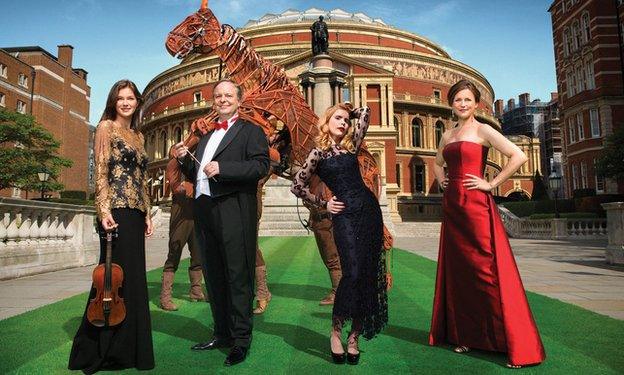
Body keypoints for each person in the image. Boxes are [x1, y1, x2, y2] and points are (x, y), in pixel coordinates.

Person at [428, 79, 546, 368]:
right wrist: (443, 181)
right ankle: (466, 336)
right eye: (458, 100)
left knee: (486, 270)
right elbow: (436, 163)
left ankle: (512, 344)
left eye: (468, 99)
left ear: (477, 104)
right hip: (454, 208)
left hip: (477, 207)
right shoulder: (448, 135)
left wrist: (491, 182)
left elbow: (517, 156)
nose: (463, 104)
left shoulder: (483, 130)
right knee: (461, 273)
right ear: (451, 104)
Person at [174, 79, 269, 366]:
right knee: (213, 274)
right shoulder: (206, 137)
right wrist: (183, 160)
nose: (222, 99)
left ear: (239, 100)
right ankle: (222, 333)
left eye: (228, 95)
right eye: (218, 96)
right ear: (213, 101)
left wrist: (224, 168)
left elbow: (261, 166)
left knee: (237, 275)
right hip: (205, 209)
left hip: (234, 208)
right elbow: (197, 173)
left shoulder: (251, 131)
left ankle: (241, 340)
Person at [68, 79, 154, 373]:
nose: (126, 103)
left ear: (138, 102)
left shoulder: (138, 136)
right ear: (113, 102)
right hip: (115, 212)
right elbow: (101, 169)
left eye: (131, 98)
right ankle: (101, 349)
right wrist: (103, 209)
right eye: (121, 99)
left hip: (134, 213)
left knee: (134, 282)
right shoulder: (106, 128)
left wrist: (147, 213)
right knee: (112, 281)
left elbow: (142, 179)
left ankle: (130, 351)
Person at [291, 103, 387, 365]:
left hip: (368, 212)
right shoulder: (317, 154)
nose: (344, 123)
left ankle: (354, 337)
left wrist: (350, 111)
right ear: (327, 121)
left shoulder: (350, 147)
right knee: (352, 273)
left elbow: (365, 114)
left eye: (346, 120)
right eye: (338, 118)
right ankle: (335, 331)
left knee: (366, 276)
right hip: (344, 215)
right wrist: (323, 203)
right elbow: (297, 185)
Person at [159, 146, 206, 311]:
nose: (185, 153)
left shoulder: (193, 165)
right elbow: (175, 186)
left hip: (196, 212)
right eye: (180, 151)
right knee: (174, 252)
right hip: (181, 211)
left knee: (198, 253)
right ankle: (165, 297)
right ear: (174, 152)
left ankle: (196, 291)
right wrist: (190, 187)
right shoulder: (173, 164)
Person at [305, 176, 342, 305]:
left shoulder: (327, 178)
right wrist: (311, 218)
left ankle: (338, 292)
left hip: (327, 220)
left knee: (331, 257)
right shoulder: (316, 178)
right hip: (319, 220)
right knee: (328, 257)